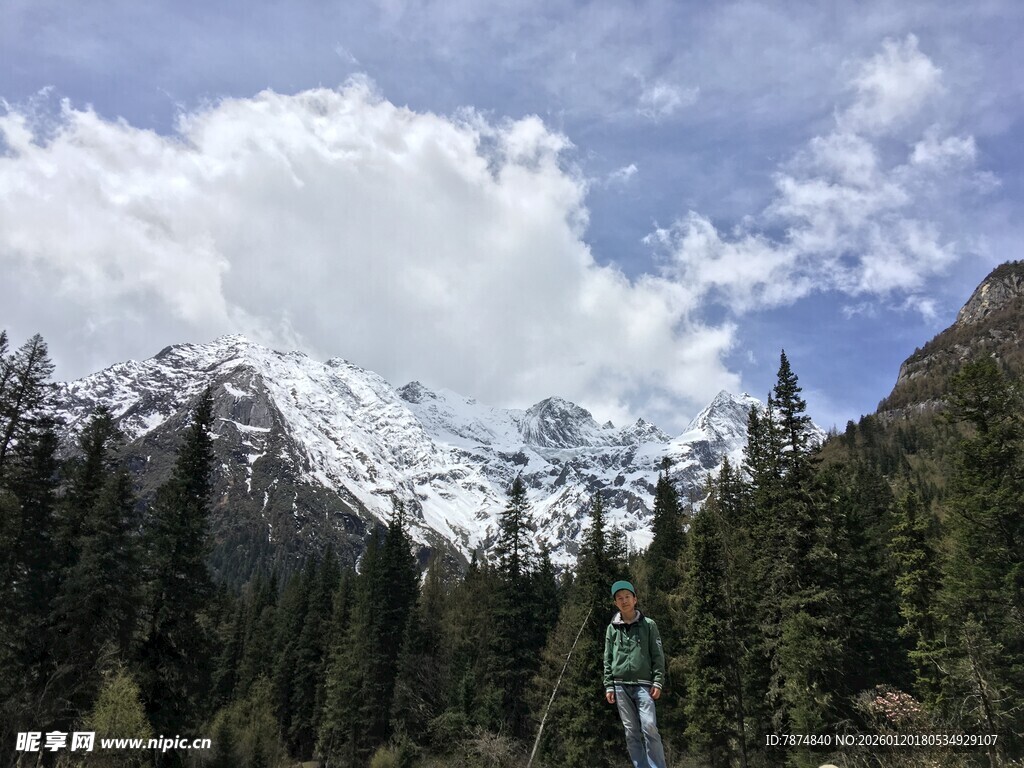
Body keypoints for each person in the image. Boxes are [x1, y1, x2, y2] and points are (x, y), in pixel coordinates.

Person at [604, 580, 667, 768]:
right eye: (620, 598)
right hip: (620, 685)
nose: (624, 601)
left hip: (644, 685)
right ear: (616, 603)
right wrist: (608, 684)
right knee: (631, 731)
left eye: (627, 597)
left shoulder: (649, 625)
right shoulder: (612, 628)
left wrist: (658, 681)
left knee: (649, 726)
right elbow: (607, 658)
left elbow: (657, 655)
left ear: (635, 599)